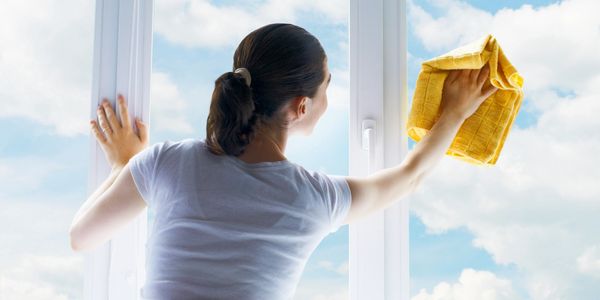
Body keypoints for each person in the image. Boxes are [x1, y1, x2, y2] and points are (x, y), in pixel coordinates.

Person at [69, 23, 497, 299]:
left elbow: (82, 238)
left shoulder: (165, 162)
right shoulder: (312, 198)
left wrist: (124, 165)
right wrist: (455, 113)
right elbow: (410, 176)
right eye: (327, 87)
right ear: (300, 107)